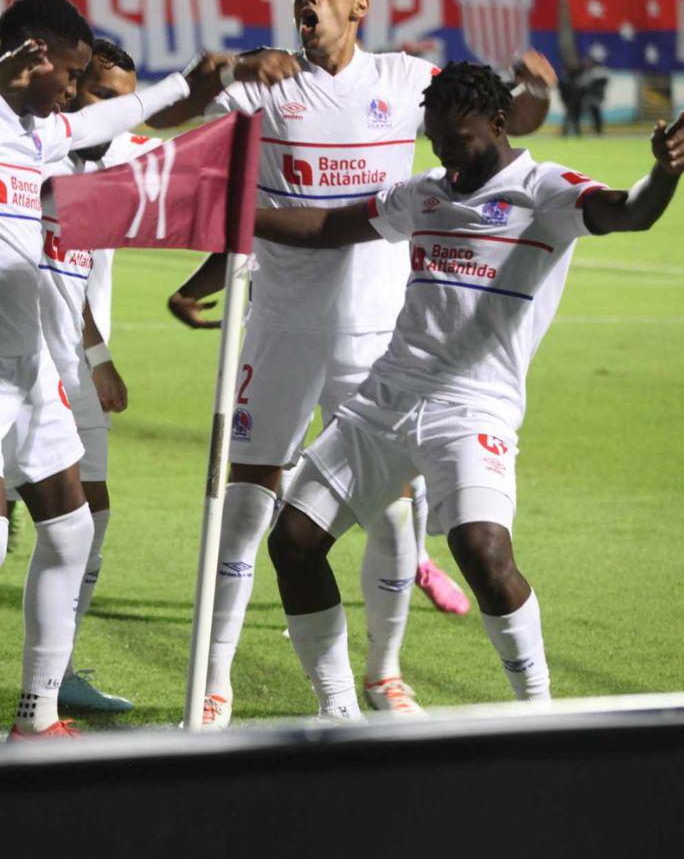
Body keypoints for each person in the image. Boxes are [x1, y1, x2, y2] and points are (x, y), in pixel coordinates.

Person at [150, 0, 554, 724]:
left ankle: (384, 673)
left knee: (395, 517)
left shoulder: (405, 82)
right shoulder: (261, 82)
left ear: (360, 7)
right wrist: (232, 65)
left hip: (381, 340)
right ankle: (214, 678)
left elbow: (507, 126)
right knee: (244, 507)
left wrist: (535, 89)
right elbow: (164, 121)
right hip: (278, 329)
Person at [254, 62, 682, 719]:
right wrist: (238, 215)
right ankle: (339, 713)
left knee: (481, 551)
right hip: (387, 398)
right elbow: (331, 228)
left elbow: (631, 213)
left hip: (474, 404)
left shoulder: (547, 190)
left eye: (458, 139)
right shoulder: (425, 191)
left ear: (499, 122)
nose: (446, 155)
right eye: (435, 141)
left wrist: (666, 172)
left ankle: (537, 714)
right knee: (293, 540)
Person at [0, 0, 230, 746]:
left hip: (29, 364)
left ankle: (36, 715)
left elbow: (110, 120)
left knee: (70, 530)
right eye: (67, 73)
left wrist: (187, 85)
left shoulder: (39, 134)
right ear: (30, 57)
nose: (71, 90)